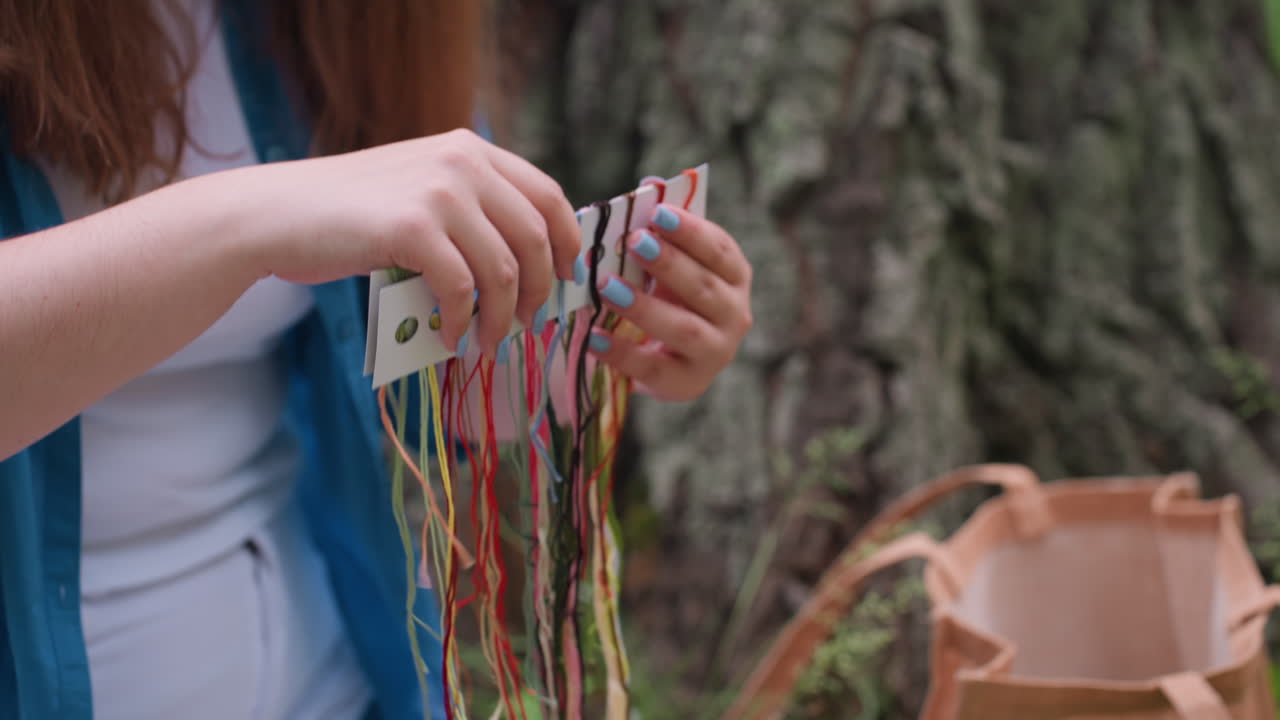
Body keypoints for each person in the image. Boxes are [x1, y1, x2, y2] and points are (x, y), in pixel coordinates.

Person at [0, 2, 753, 719]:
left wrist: (600, 340)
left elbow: (421, 365)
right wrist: (246, 222)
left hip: (336, 677)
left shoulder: (345, 19)